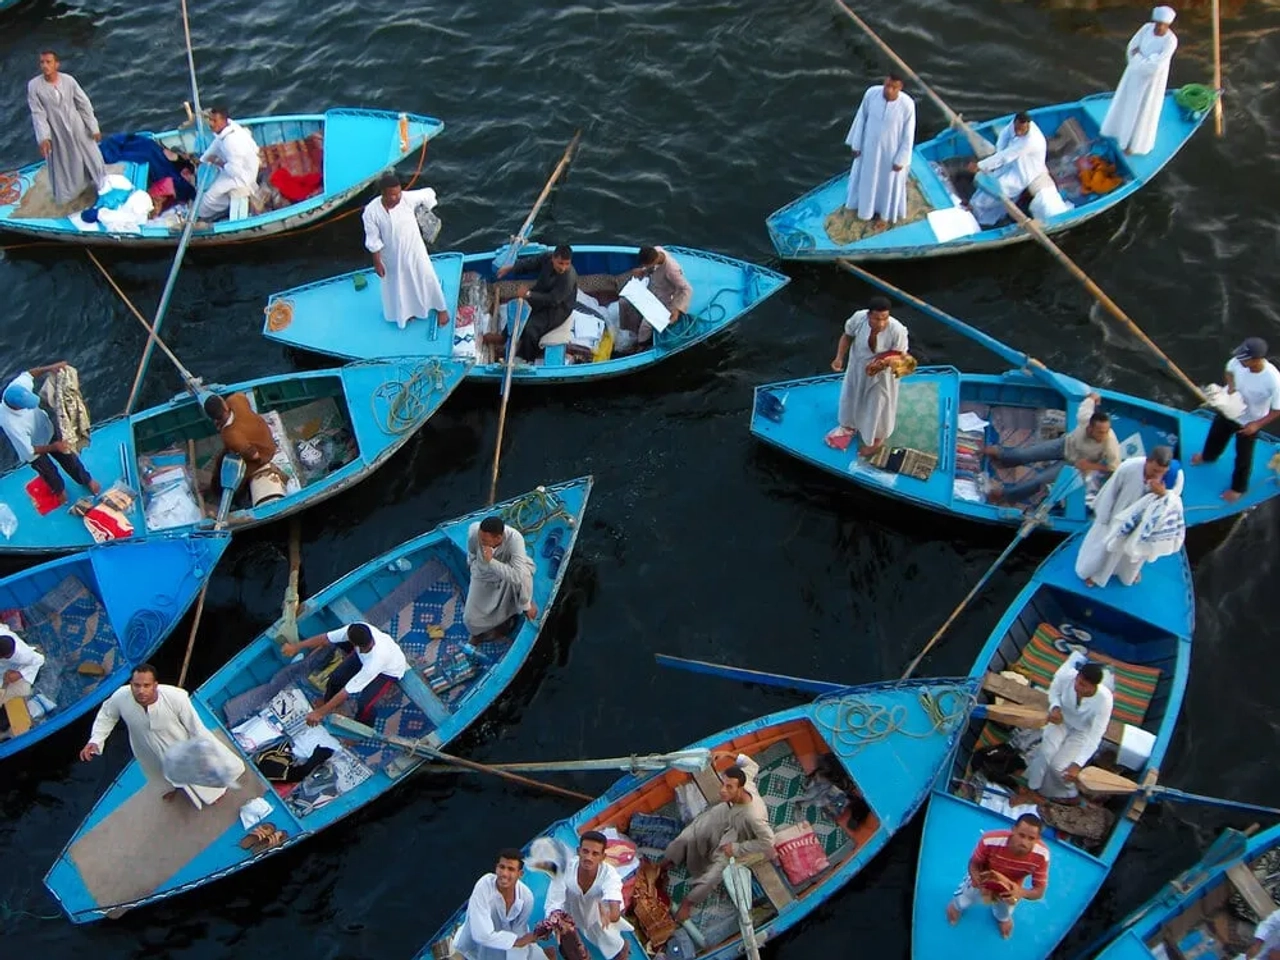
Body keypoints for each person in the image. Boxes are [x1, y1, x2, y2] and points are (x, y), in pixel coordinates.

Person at [79, 664, 243, 809]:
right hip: (145, 748)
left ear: (155, 685)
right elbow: (107, 715)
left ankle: (215, 792)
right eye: (136, 685)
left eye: (146, 685)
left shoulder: (176, 697)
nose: (141, 690)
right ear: (131, 685)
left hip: (178, 746)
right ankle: (175, 789)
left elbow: (196, 728)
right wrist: (96, 740)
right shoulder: (121, 696)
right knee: (157, 773)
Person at [662, 755, 776, 923]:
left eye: (729, 787)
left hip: (741, 834)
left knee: (713, 875)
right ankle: (666, 862)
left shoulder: (754, 816)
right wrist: (729, 754)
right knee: (690, 833)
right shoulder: (746, 781)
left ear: (740, 788)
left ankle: (688, 903)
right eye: (723, 784)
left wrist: (736, 849)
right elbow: (752, 764)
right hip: (727, 812)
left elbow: (768, 841)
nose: (723, 790)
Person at [983, 393, 1121, 504]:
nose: (1103, 435)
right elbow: (1089, 400)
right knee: (1025, 454)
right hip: (1064, 444)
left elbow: (1114, 468)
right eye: (1100, 432)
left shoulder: (1110, 444)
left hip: (1073, 464)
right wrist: (1093, 397)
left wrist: (1090, 465)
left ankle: (1006, 496)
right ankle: (1003, 457)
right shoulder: (1084, 417)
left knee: (1039, 481)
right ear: (1089, 427)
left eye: (1106, 431)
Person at [1192, 338, 1280, 502]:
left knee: (1243, 456)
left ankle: (1238, 488)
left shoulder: (1273, 380)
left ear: (1256, 359)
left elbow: (1277, 410)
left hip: (1249, 421)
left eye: (1245, 358)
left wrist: (1256, 425)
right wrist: (1231, 387)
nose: (1240, 360)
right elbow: (1229, 369)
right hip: (1230, 409)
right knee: (1215, 435)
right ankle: (1207, 456)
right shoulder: (1239, 361)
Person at [1075, 454, 1183, 587]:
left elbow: (1175, 502)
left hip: (1143, 524)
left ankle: (1126, 574)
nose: (1157, 474)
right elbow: (1110, 491)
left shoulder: (1174, 477)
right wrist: (1103, 517)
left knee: (1133, 553)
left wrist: (1163, 494)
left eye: (1162, 472)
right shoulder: (1129, 467)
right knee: (1106, 548)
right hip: (1118, 517)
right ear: (1147, 461)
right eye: (1154, 470)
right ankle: (1096, 575)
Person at [0, 362, 101, 504]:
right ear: (16, 406)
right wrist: (55, 447)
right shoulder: (12, 425)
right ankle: (59, 491)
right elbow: (29, 451)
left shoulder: (17, 387)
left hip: (48, 430)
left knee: (70, 458)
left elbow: (29, 373)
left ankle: (86, 480)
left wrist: (50, 368)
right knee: (49, 473)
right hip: (34, 450)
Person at [362, 172, 450, 330]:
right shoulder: (371, 212)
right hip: (391, 256)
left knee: (427, 277)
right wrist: (377, 261)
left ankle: (441, 309)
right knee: (399, 285)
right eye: (392, 195)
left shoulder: (407, 199)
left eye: (398, 193)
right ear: (383, 193)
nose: (396, 198)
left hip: (415, 250)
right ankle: (407, 313)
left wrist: (424, 212)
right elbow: (373, 239)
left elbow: (429, 193)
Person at [280, 621, 409, 727]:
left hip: (389, 671)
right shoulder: (357, 628)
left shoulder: (375, 662)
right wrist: (296, 646)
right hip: (363, 657)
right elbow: (326, 638)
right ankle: (327, 703)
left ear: (354, 644)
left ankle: (361, 730)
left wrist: (319, 713)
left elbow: (346, 691)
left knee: (364, 704)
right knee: (336, 678)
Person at [827, 295, 909, 457]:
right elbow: (847, 336)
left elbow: (900, 355)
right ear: (868, 315)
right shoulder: (858, 319)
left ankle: (877, 440)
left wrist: (881, 364)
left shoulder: (897, 330)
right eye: (876, 319)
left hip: (882, 375)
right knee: (852, 396)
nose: (881, 323)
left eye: (884, 318)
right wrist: (839, 357)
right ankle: (850, 424)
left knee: (878, 404)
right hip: (857, 367)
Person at [946, 813, 1050, 939]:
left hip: (1011, 886)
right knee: (965, 897)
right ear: (1013, 830)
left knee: (1005, 910)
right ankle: (956, 906)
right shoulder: (989, 840)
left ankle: (1002, 918)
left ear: (1038, 838)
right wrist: (977, 880)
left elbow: (1039, 891)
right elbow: (974, 864)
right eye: (1021, 835)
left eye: (1031, 838)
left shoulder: (1042, 855)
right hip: (984, 876)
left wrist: (1020, 892)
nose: (1024, 842)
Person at [1025, 660, 1113, 800]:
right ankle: (1032, 788)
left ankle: (1064, 794)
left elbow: (1096, 735)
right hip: (1061, 720)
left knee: (1058, 767)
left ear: (1092, 687)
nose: (1077, 686)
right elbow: (1054, 691)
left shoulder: (1105, 700)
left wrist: (1078, 764)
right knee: (1045, 753)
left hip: (1082, 731)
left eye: (1083, 685)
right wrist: (1055, 707)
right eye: (1077, 681)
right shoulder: (1067, 676)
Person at [27, 50, 104, 206]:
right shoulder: (34, 86)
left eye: (48, 62)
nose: (45, 66)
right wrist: (44, 138)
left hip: (77, 125)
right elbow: (38, 113)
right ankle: (73, 193)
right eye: (42, 62)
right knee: (66, 162)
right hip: (56, 130)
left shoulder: (68, 80)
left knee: (92, 155)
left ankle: (101, 184)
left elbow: (84, 104)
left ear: (57, 64)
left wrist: (93, 127)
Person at [1099, 7, 1179, 157]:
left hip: (1150, 84)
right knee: (1126, 103)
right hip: (1132, 76)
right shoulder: (1146, 29)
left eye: (1163, 24)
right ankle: (1117, 132)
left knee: (1143, 110)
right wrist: (1144, 59)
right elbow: (1131, 48)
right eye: (1158, 23)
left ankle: (1134, 144)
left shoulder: (1171, 41)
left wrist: (1139, 58)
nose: (1160, 27)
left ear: (1168, 25)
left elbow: (1156, 66)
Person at [544, 831, 633, 960]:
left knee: (612, 943)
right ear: (578, 851)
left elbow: (613, 898)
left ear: (603, 857)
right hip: (569, 915)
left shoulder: (609, 875)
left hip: (596, 916)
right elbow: (554, 900)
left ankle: (622, 948)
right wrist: (558, 921)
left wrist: (610, 915)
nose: (588, 857)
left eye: (595, 853)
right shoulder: (564, 869)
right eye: (585, 851)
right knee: (572, 949)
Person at [843, 73, 917, 228]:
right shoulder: (871, 94)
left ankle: (884, 217)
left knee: (887, 184)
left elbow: (908, 135)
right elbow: (861, 118)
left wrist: (901, 159)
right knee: (867, 180)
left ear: (900, 88)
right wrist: (856, 144)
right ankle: (864, 211)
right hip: (869, 150)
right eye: (887, 85)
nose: (889, 90)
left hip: (890, 155)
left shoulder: (907, 105)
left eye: (893, 87)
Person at [453, 848, 553, 960]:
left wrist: (521, 941)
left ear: (520, 874)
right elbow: (482, 935)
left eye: (511, 869)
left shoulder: (526, 896)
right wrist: (518, 941)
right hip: (473, 949)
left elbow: (519, 932)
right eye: (501, 867)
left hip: (508, 945)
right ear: (496, 868)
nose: (504, 874)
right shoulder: (483, 886)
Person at [494, 245, 578, 362]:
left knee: (531, 329)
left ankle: (526, 356)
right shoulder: (546, 257)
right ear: (553, 258)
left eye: (566, 264)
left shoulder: (568, 278)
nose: (563, 268)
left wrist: (529, 294)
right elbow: (531, 263)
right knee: (519, 307)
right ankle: (504, 336)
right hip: (541, 293)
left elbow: (553, 299)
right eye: (560, 263)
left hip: (558, 309)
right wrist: (511, 267)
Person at [967, 112, 1048, 227]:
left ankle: (977, 212)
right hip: (1014, 161)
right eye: (1017, 129)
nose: (1018, 132)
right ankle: (975, 207)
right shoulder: (1014, 125)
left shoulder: (1030, 141)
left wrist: (980, 166)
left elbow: (1006, 156)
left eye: (1022, 130)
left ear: (1028, 126)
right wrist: (998, 151)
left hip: (1025, 171)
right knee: (992, 178)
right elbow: (1004, 136)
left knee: (1000, 189)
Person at [464, 516, 537, 640]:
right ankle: (478, 634)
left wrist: (491, 562)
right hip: (483, 576)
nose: (481, 542)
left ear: (498, 538)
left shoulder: (515, 539)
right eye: (480, 539)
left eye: (485, 541)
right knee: (470, 619)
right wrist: (471, 564)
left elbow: (517, 577)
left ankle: (524, 605)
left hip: (508, 575)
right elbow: (472, 553)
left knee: (524, 574)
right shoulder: (475, 533)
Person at [619, 246, 693, 350]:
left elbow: (686, 289)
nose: (645, 266)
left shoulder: (672, 270)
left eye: (647, 265)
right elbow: (649, 268)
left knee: (646, 326)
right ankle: (627, 330)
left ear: (654, 260)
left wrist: (677, 310)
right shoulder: (656, 250)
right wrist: (643, 271)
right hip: (652, 290)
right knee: (623, 302)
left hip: (665, 299)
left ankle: (641, 346)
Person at [203, 391, 278, 492]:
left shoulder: (230, 436)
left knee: (238, 479)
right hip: (261, 432)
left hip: (263, 453)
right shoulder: (235, 400)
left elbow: (255, 456)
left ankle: (235, 495)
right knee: (220, 459)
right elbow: (242, 396)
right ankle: (215, 486)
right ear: (225, 405)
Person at [196, 105, 262, 221]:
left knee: (208, 198)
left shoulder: (231, 143)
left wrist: (217, 162)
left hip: (242, 176)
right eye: (210, 120)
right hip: (245, 165)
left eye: (214, 121)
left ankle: (219, 210)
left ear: (223, 121)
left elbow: (234, 171)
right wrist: (203, 159)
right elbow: (217, 143)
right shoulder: (231, 126)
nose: (211, 124)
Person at [0, 626, 45, 733]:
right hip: (3, 669)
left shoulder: (23, 654)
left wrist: (19, 674)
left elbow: (40, 659)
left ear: (6, 656)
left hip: (16, 669)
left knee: (20, 691)